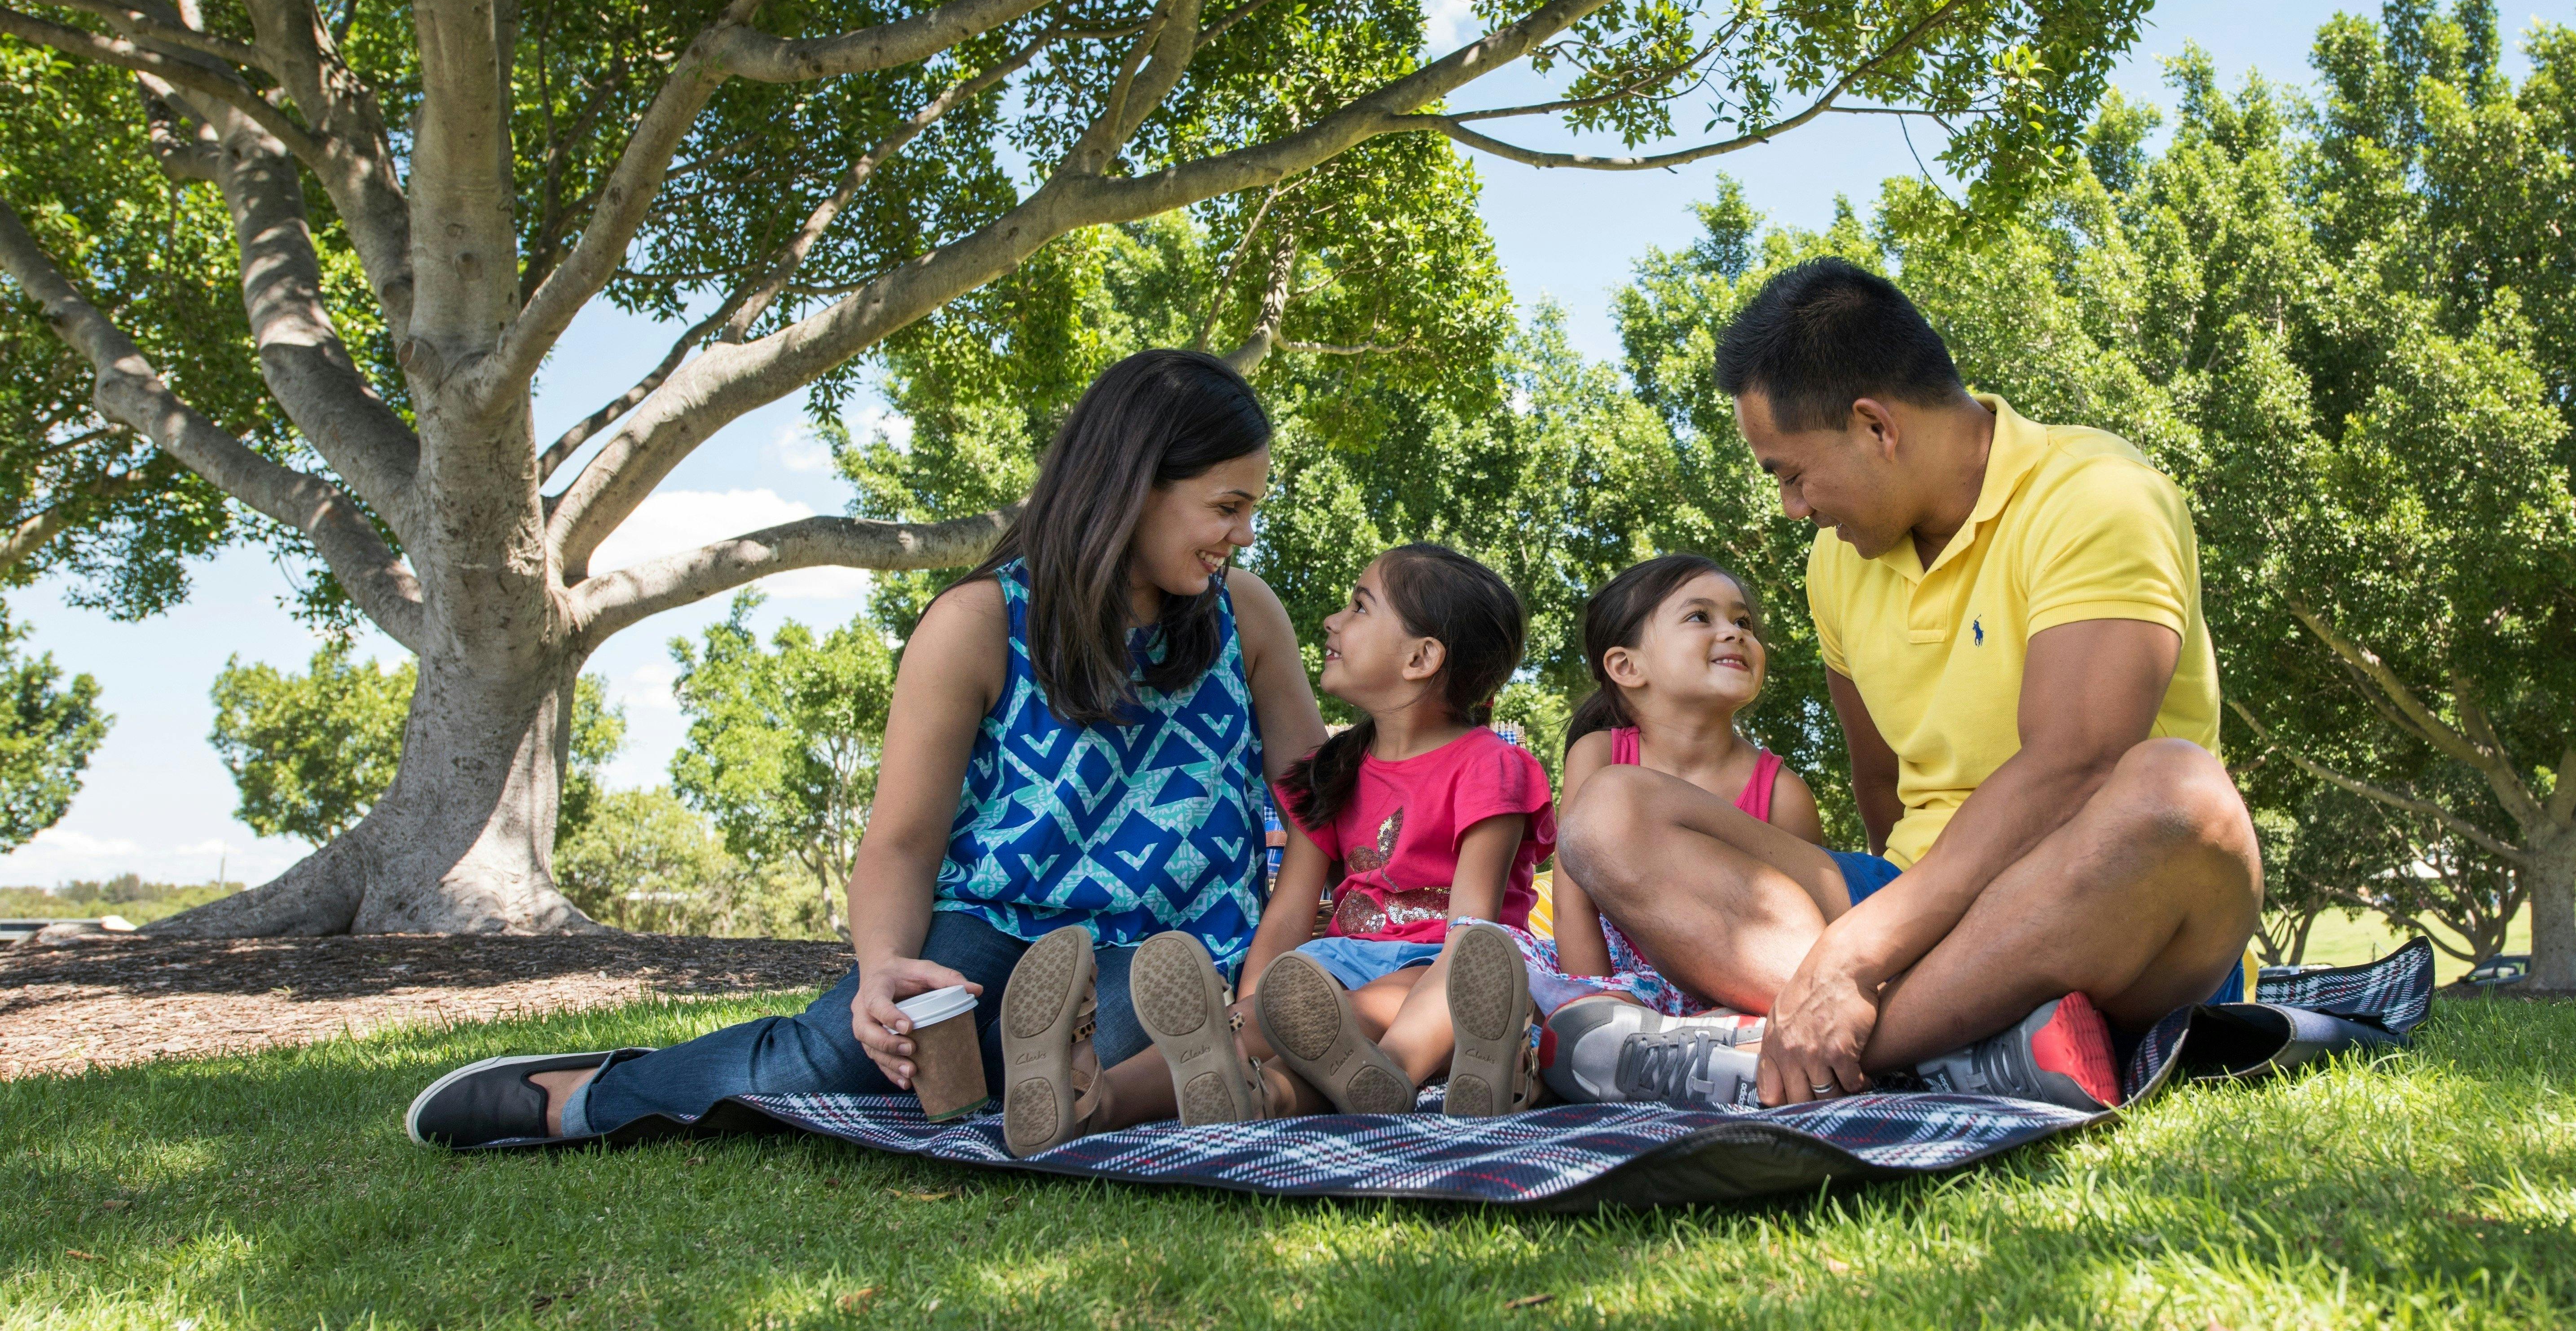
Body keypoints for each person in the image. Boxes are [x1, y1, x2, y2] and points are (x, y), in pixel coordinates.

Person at [404, 349, 1327, 1153]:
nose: (1244, 533)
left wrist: (1267, 962)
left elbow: (1318, 803)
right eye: (1228, 505)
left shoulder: (1247, 616)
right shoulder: (976, 623)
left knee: (1117, 1050)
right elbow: (902, 842)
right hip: (989, 927)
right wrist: (881, 968)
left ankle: (1013, 1082)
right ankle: (581, 1097)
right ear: (1135, 485)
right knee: (838, 1060)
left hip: (1164, 949)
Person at [1550, 258, 2262, 1114]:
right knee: (1608, 811)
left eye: (1791, 474)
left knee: (2179, 789)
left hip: (2104, 905)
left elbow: (2076, 766)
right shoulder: (1836, 562)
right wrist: (1875, 938)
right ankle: (1957, 1045)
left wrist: (1856, 958)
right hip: (1917, 910)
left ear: (1875, 428)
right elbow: (1880, 784)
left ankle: (1808, 1053)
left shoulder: (2099, 495)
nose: (1792, 507)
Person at [1123, 542, 1552, 1123]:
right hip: (1339, 963)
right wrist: (1252, 1006)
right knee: (1254, 1025)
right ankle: (1098, 1099)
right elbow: (1287, 915)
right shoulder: (1331, 770)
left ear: (1421, 658)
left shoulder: (1490, 766)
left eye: (1359, 607)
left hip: (1450, 973)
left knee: (1359, 1013)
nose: (1332, 620)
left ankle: (1369, 1075)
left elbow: (1471, 933)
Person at [1515, 552, 1821, 1022]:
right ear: (1626, 666)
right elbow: (1572, 905)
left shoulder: (1784, 793)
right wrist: (1595, 1005)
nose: (1735, 632)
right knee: (1505, 962)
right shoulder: (1598, 755)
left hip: (1731, 999)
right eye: (1700, 617)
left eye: (1743, 621)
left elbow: (1800, 934)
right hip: (1609, 987)